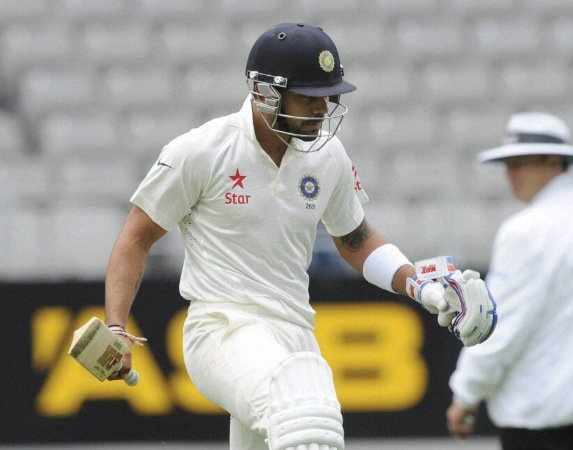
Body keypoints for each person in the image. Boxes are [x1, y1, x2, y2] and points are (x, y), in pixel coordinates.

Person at [104, 23, 496, 450]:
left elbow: (355, 238)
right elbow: (136, 238)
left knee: (310, 431)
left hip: (296, 335)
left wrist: (420, 286)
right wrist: (116, 326)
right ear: (265, 92)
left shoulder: (327, 154)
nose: (322, 109)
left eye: (328, 97)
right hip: (223, 326)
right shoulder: (201, 150)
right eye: (309, 97)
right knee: (305, 420)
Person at [446, 112, 573, 450]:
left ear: (554, 161)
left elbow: (498, 328)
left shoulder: (525, 231)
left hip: (540, 420)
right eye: (507, 164)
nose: (510, 174)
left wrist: (465, 395)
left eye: (520, 163)